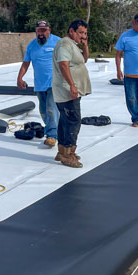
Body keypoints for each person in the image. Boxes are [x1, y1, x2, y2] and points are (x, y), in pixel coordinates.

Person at [51, 19, 91, 168]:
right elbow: (63, 64)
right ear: (71, 31)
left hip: (70, 89)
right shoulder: (65, 44)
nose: (83, 36)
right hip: (66, 90)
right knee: (73, 121)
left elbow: (83, 60)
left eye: (85, 33)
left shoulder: (72, 45)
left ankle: (62, 151)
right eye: (80, 32)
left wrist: (85, 46)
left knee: (64, 120)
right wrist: (72, 85)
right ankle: (68, 154)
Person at [16, 20, 61, 147]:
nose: (41, 33)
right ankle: (55, 130)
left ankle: (52, 136)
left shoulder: (58, 42)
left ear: (49, 30)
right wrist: (19, 78)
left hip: (55, 82)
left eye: (44, 30)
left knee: (51, 108)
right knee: (43, 111)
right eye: (39, 31)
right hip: (39, 84)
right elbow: (26, 64)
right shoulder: (32, 46)